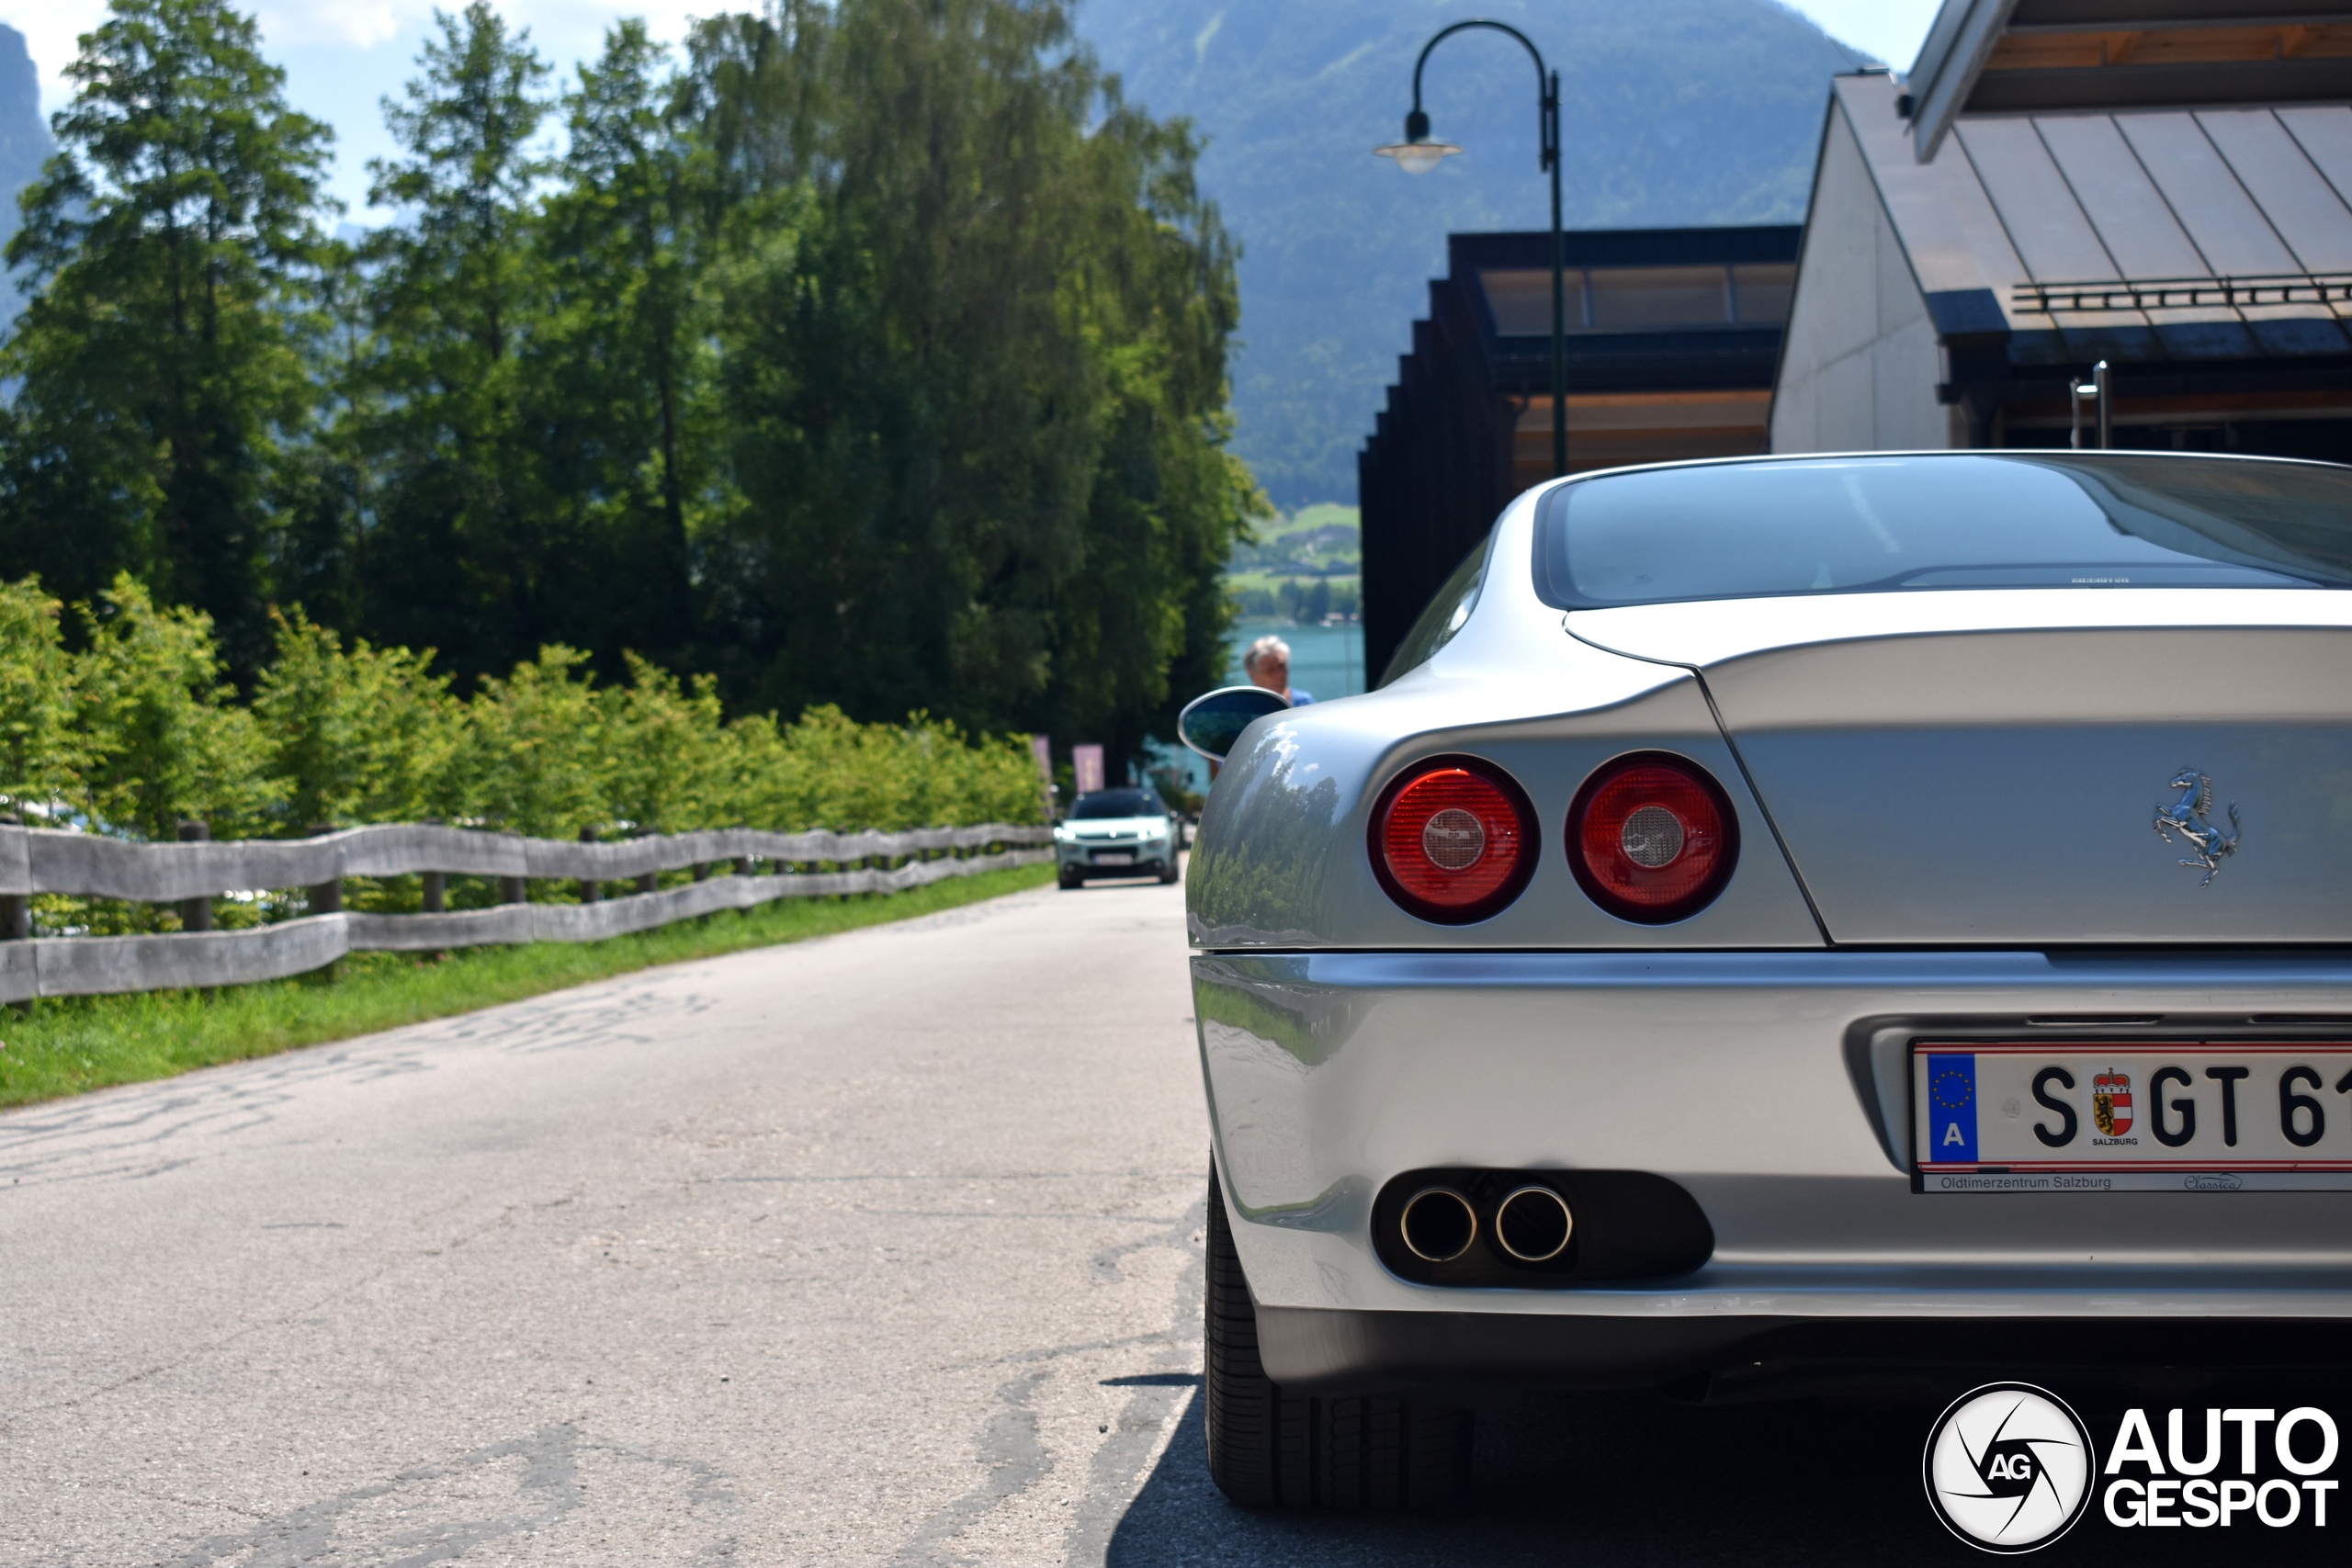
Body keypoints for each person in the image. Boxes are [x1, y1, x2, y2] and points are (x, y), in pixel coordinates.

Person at [1242, 635, 1315, 705]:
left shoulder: (1304, 703)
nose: (1280, 675)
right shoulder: (1242, 708)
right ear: (1252, 673)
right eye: (1270, 669)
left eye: (1282, 666)